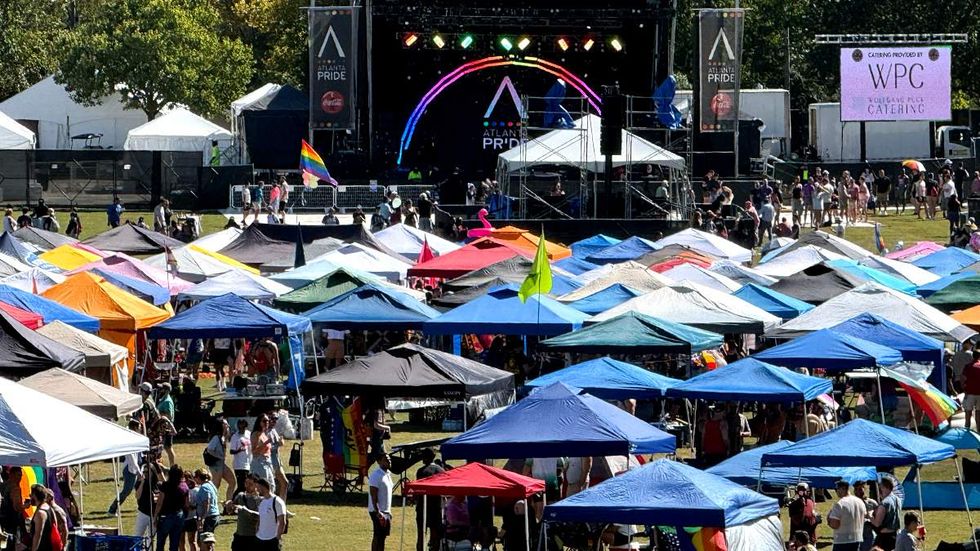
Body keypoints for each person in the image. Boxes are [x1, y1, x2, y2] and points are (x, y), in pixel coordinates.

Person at [108, 419, 144, 514]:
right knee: (126, 491)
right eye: (139, 428)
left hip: (135, 468)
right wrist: (138, 471)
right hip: (130, 470)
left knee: (140, 489)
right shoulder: (130, 440)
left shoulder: (136, 438)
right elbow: (132, 458)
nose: (140, 430)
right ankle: (112, 509)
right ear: (135, 428)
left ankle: (142, 508)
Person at [414, 449, 444, 551]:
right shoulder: (441, 471)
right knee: (435, 534)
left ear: (426, 457)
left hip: (423, 506)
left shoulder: (421, 471)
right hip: (436, 507)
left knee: (421, 534)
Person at [157, 464, 189, 551]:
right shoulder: (184, 486)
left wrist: (156, 515)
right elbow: (187, 504)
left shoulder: (165, 486)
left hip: (166, 515)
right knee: (174, 544)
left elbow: (160, 502)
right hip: (179, 515)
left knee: (160, 543)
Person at [226, 474, 262, 551]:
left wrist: (245, 510)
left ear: (257, 485)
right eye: (246, 483)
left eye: (250, 484)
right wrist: (228, 506)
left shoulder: (261, 500)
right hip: (239, 536)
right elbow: (230, 511)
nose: (247, 486)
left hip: (253, 536)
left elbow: (260, 516)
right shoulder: (240, 496)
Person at [828, 480, 867, 551]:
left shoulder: (840, 504)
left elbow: (835, 525)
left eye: (837, 489)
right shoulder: (860, 501)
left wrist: (828, 519)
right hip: (857, 539)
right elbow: (864, 515)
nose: (836, 492)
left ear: (842, 489)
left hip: (842, 541)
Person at [204, 418, 237, 501]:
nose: (228, 426)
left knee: (232, 481)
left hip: (222, 464)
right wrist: (219, 456)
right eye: (226, 424)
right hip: (215, 465)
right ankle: (210, 504)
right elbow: (210, 449)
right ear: (221, 425)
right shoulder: (216, 437)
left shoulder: (222, 437)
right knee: (216, 485)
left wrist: (226, 435)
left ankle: (228, 504)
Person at [368, 453, 394, 551]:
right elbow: (373, 494)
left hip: (386, 511)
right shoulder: (376, 475)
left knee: (383, 536)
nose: (389, 461)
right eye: (386, 459)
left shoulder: (388, 474)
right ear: (379, 462)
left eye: (389, 459)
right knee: (378, 535)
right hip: (377, 511)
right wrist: (377, 511)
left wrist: (388, 511)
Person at [871, 477, 902, 550]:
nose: (879, 490)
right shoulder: (897, 499)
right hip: (895, 535)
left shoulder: (885, 503)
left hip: (885, 538)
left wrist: (869, 515)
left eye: (880, 487)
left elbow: (877, 523)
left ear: (885, 487)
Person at [27, 484, 60, 551]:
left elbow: (38, 535)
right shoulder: (49, 508)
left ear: (35, 496)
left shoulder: (40, 513)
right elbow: (55, 526)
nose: (30, 497)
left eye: (31, 495)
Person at [250, 415, 276, 494]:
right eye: (264, 421)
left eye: (268, 421)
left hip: (267, 462)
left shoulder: (264, 434)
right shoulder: (256, 434)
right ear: (259, 422)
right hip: (259, 462)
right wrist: (266, 443)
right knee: (264, 487)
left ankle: (269, 504)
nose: (267, 423)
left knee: (272, 486)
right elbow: (254, 451)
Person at [193, 469, 220, 543]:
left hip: (209, 517)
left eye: (195, 477)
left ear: (198, 477)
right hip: (214, 515)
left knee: (205, 541)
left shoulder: (204, 487)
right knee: (208, 540)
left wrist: (202, 519)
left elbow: (206, 503)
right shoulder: (211, 484)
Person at [230, 419, 252, 495]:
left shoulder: (249, 434)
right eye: (239, 427)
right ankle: (232, 502)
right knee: (241, 487)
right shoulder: (235, 436)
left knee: (247, 486)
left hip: (248, 463)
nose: (241, 428)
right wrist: (238, 450)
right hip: (239, 465)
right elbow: (231, 451)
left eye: (243, 427)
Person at [157, 382, 176, 466]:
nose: (160, 390)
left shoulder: (167, 401)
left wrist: (159, 414)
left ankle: (172, 465)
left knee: (168, 448)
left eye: (162, 388)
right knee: (164, 447)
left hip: (167, 428)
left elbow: (169, 415)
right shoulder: (163, 399)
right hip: (162, 427)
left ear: (167, 390)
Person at [961, 349, 980, 431]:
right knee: (979, 412)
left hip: (969, 393)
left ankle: (967, 429)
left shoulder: (968, 366)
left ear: (972, 356)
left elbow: (963, 378)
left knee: (968, 412)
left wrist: (964, 388)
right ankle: (978, 430)